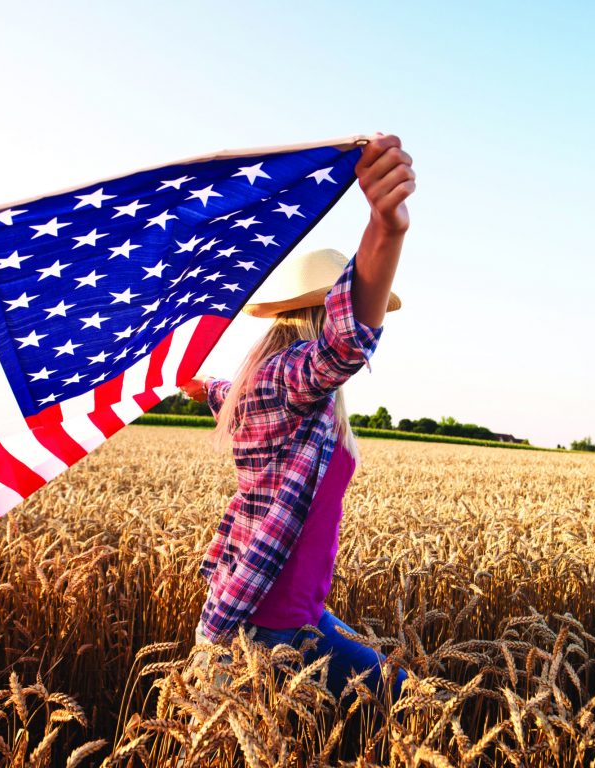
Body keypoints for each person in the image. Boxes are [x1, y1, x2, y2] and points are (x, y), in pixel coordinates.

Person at [178, 133, 415, 707]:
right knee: (397, 699)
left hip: (301, 615)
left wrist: (196, 386)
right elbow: (344, 347)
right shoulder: (286, 379)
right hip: (262, 628)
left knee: (403, 696)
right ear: (321, 311)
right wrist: (387, 230)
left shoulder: (264, 388)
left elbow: (223, 393)